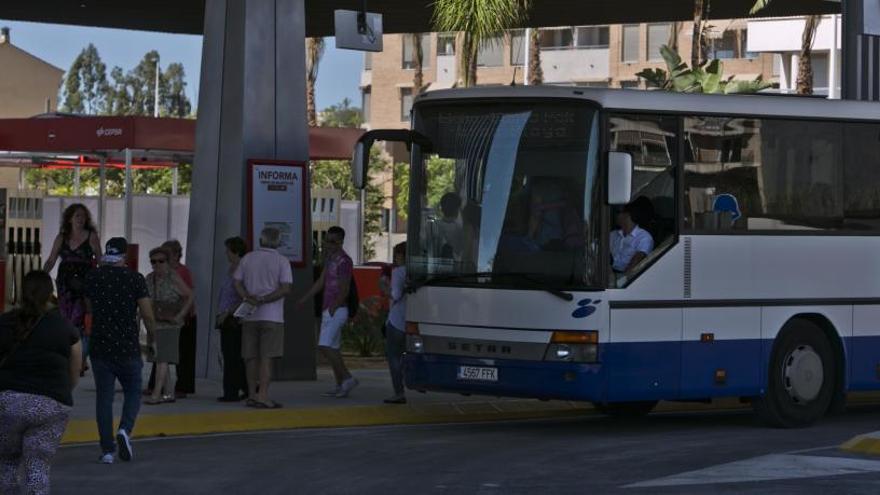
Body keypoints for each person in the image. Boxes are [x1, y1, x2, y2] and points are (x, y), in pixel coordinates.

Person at [0, 271, 81, 494]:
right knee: (37, 466)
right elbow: (75, 369)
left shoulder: (5, 323)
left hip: (8, 402)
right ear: (50, 294)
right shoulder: (64, 327)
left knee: (6, 462)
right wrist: (61, 392)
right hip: (52, 404)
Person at [84, 237, 156, 464]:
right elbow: (146, 313)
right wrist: (153, 338)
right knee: (133, 391)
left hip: (100, 347)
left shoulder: (93, 277)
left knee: (104, 399)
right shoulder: (135, 279)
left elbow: (88, 308)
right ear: (125, 256)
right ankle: (124, 429)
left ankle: (107, 451)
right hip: (127, 347)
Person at [234, 227, 292, 409]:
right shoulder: (282, 261)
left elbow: (236, 282)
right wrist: (264, 299)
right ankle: (263, 396)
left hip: (249, 316)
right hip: (272, 317)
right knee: (267, 358)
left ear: (260, 240)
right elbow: (285, 288)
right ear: (278, 242)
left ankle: (251, 394)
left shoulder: (247, 258)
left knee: (250, 357)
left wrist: (247, 297)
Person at [297, 226, 358, 398]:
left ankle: (347, 377)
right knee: (333, 348)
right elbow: (321, 281)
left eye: (333, 241)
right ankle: (340, 385)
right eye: (327, 240)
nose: (329, 244)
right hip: (328, 308)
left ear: (341, 241)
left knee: (324, 345)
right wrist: (305, 297)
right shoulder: (331, 259)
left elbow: (345, 288)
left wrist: (335, 306)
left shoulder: (344, 261)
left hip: (336, 310)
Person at [43, 203, 101, 376]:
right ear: (69, 218)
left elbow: (99, 259)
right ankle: (70, 358)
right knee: (67, 320)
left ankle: (79, 360)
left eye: (83, 216)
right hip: (65, 284)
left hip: (84, 282)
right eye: (77, 216)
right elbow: (52, 259)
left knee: (80, 321)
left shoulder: (91, 236)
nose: (81, 219)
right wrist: (41, 275)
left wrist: (101, 280)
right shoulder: (62, 237)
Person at [146, 239, 195, 398]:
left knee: (163, 358)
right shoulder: (150, 278)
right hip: (155, 321)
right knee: (160, 357)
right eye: (153, 262)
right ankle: (168, 393)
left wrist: (180, 316)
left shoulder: (174, 276)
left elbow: (189, 296)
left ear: (168, 261)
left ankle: (156, 393)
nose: (156, 265)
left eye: (160, 261)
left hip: (170, 322)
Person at [215, 237, 248, 402]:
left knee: (232, 356)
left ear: (235, 251)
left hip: (233, 318)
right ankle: (246, 387)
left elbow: (243, 297)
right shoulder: (231, 268)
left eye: (228, 250)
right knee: (231, 355)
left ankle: (231, 391)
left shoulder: (242, 269)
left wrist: (227, 313)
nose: (225, 253)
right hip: (224, 316)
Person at [383, 242, 407, 404]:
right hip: (411, 321)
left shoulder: (398, 272)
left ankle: (399, 392)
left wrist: (383, 287)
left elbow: (395, 295)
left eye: (397, 255)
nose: (395, 258)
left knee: (393, 357)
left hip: (396, 321)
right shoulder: (417, 273)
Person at [610, 201, 655, 275]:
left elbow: (635, 264)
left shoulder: (644, 238)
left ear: (627, 215)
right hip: (607, 274)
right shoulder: (612, 235)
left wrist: (620, 282)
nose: (615, 215)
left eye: (618, 212)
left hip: (628, 279)